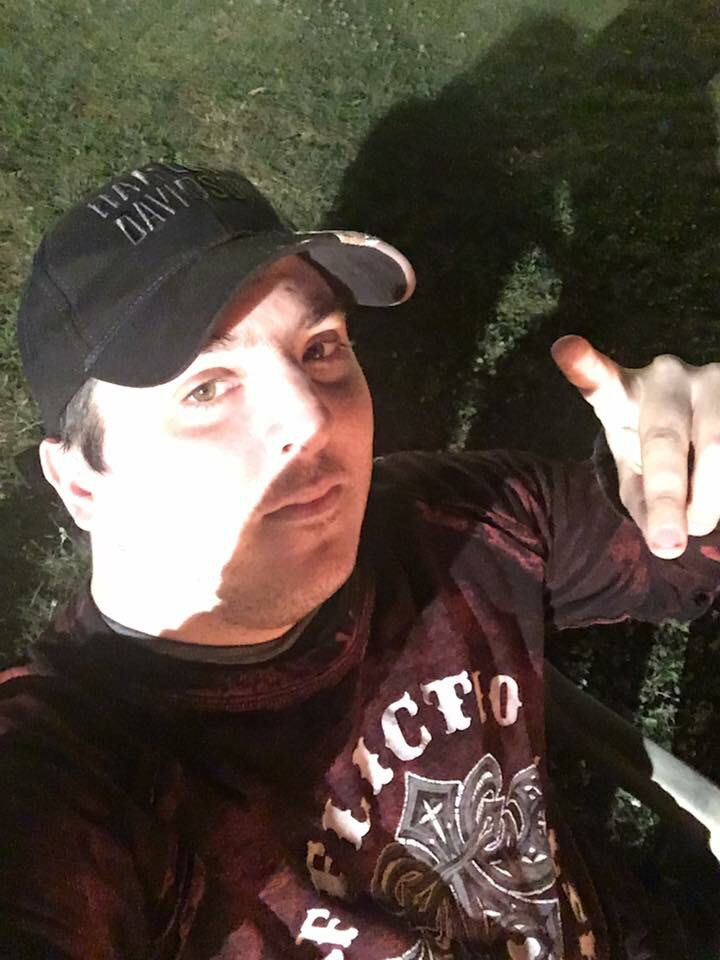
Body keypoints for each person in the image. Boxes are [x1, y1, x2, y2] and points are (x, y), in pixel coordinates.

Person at [3, 160, 720, 960]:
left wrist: (691, 468)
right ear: (80, 484)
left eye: (320, 347)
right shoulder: (71, 775)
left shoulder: (451, 523)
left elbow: (682, 550)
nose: (311, 417)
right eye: (205, 388)